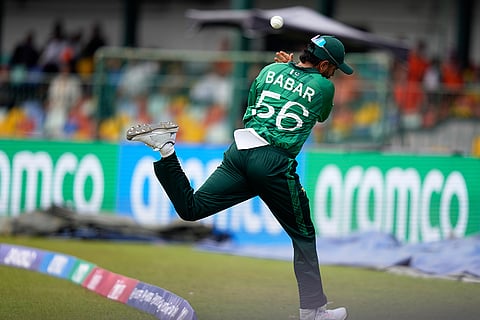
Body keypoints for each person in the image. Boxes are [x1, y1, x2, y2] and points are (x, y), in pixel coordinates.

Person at [126, 35, 353, 320]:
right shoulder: (324, 86)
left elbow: (255, 103)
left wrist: (288, 70)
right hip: (273, 162)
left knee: (191, 209)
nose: (334, 73)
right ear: (322, 65)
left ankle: (166, 149)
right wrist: (296, 73)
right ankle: (312, 312)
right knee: (304, 235)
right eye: (333, 67)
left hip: (241, 151)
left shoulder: (271, 69)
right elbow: (319, 116)